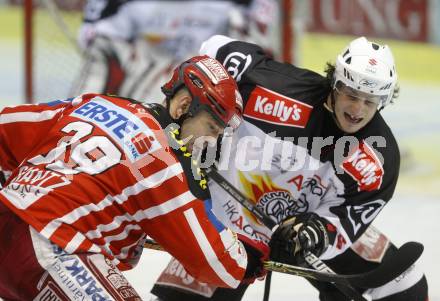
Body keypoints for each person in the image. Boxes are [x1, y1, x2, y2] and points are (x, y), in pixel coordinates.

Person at [150, 36, 429, 300]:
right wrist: (177, 114)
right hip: (227, 220)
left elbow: (349, 216)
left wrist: (316, 234)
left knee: (404, 282)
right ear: (335, 84)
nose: (358, 109)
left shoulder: (377, 157)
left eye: (370, 101)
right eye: (352, 95)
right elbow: (215, 48)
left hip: (300, 229)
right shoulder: (274, 87)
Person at [0, 55, 269, 300]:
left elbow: (5, 128)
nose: (211, 141)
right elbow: (213, 262)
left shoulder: (98, 102)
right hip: (52, 246)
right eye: (211, 127)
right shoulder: (165, 160)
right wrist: (248, 259)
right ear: (184, 105)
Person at [71, 0, 278, 102]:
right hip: (138, 92)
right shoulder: (123, 7)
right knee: (102, 57)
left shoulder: (238, 8)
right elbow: (97, 45)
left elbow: (259, 52)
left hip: (209, 95)